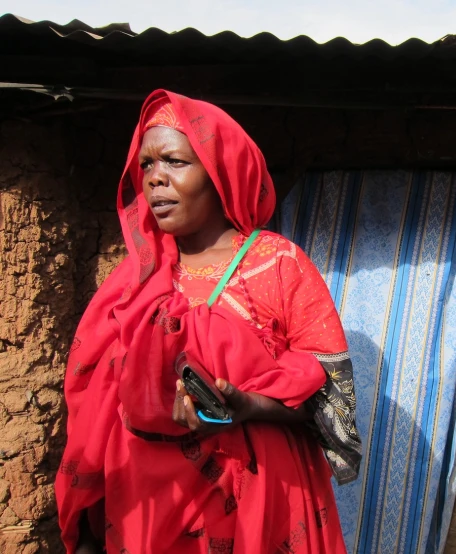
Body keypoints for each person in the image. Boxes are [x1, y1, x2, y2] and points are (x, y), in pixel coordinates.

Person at [55, 90, 361, 554]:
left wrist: (249, 407)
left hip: (259, 501)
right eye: (146, 166)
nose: (156, 179)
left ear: (219, 172)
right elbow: (94, 407)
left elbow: (330, 394)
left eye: (174, 161)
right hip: (147, 508)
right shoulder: (134, 279)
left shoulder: (278, 263)